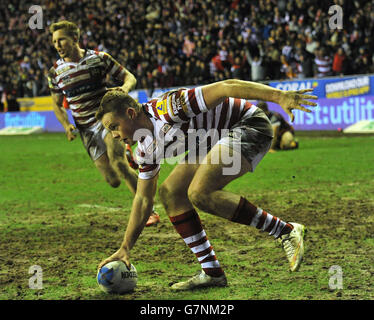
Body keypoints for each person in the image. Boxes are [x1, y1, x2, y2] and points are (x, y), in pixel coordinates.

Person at [97, 79, 317, 290]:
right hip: (212, 139)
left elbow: (225, 87)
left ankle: (285, 230)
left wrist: (279, 96)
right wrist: (125, 248)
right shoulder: (145, 150)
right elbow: (143, 199)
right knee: (171, 193)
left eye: (114, 127)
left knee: (200, 192)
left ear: (130, 114)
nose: (114, 135)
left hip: (247, 124)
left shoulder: (170, 108)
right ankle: (212, 272)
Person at [47, 20, 160, 226]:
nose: (57, 45)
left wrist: (123, 89)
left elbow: (129, 77)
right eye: (54, 41)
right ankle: (127, 154)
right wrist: (66, 125)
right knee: (113, 180)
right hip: (85, 129)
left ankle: (148, 211)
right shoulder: (55, 73)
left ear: (74, 38)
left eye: (61, 39)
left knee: (119, 163)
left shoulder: (99, 59)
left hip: (107, 121)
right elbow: (56, 104)